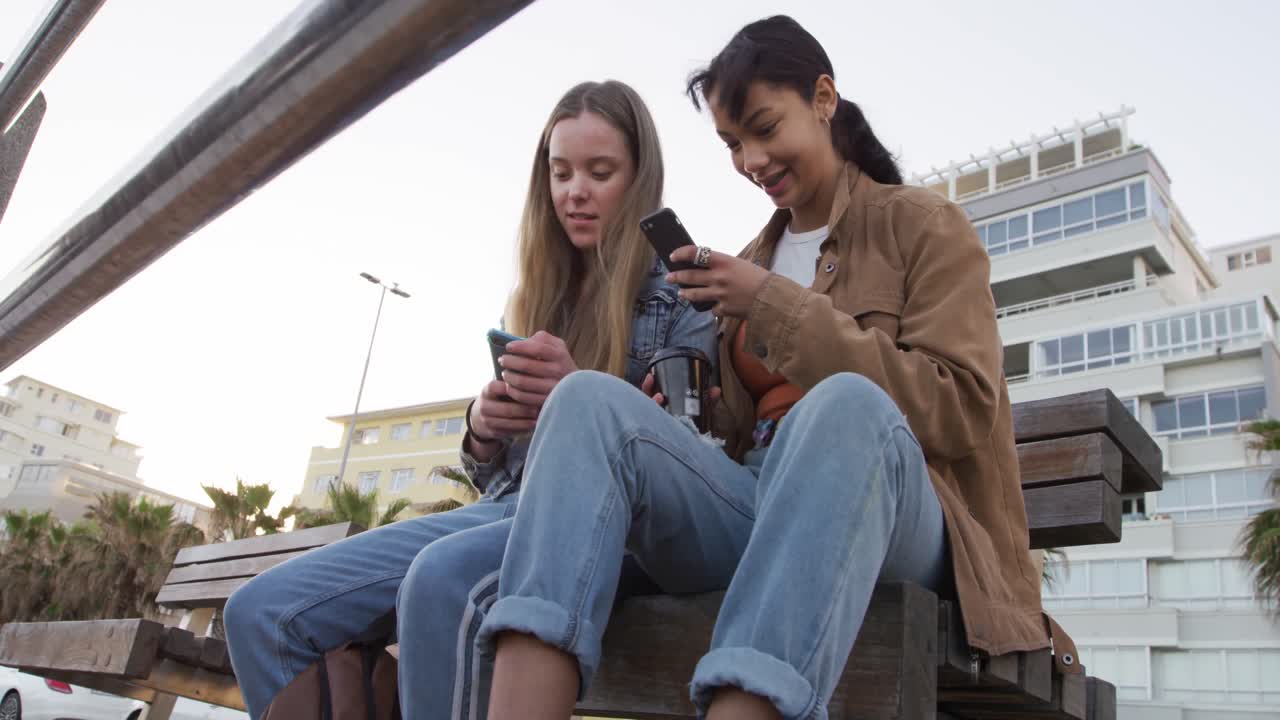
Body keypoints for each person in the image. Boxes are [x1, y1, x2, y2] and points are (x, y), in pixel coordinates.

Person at [478, 16, 1056, 720]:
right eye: (731, 144)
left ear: (822, 98)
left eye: (763, 128)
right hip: (763, 501)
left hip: (906, 516)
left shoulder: (923, 225)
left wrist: (775, 308)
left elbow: (960, 409)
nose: (751, 159)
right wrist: (674, 425)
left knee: (845, 406)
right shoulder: (746, 262)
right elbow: (730, 437)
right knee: (588, 401)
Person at [222, 79, 716, 720]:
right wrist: (484, 428)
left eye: (600, 172)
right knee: (260, 614)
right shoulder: (544, 291)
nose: (575, 192)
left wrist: (584, 400)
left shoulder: (686, 293)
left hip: (605, 528)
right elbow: (495, 476)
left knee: (442, 578)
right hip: (504, 511)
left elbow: (690, 463)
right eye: (560, 173)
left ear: (640, 177)